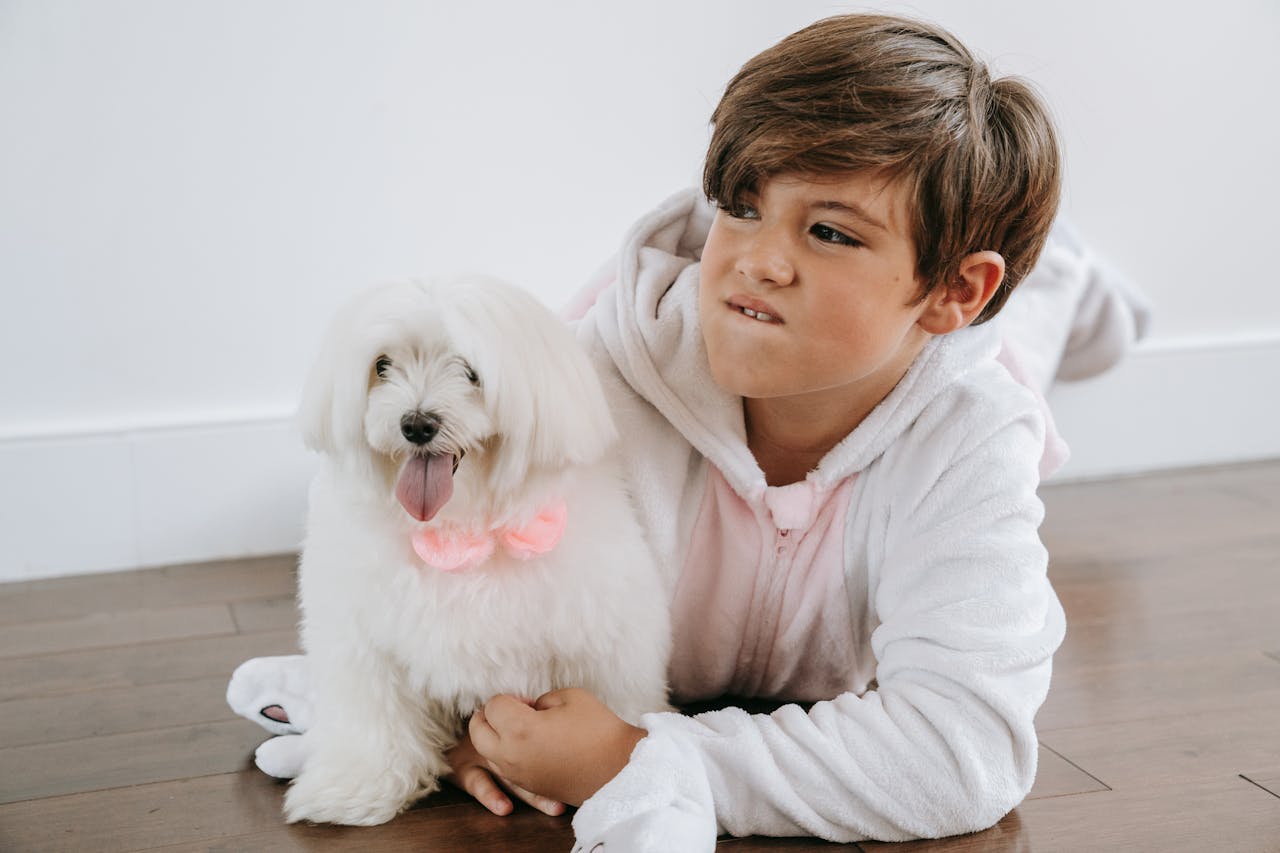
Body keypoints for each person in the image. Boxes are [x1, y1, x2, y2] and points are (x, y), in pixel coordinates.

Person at [227, 13, 1149, 850]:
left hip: (964, 352)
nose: (759, 260)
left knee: (1029, 331)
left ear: (955, 290)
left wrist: (637, 754)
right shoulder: (587, 388)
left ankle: (1065, 269)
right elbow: (415, 578)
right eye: (741, 206)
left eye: (829, 232)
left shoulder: (972, 442)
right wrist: (475, 721)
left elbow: (963, 753)